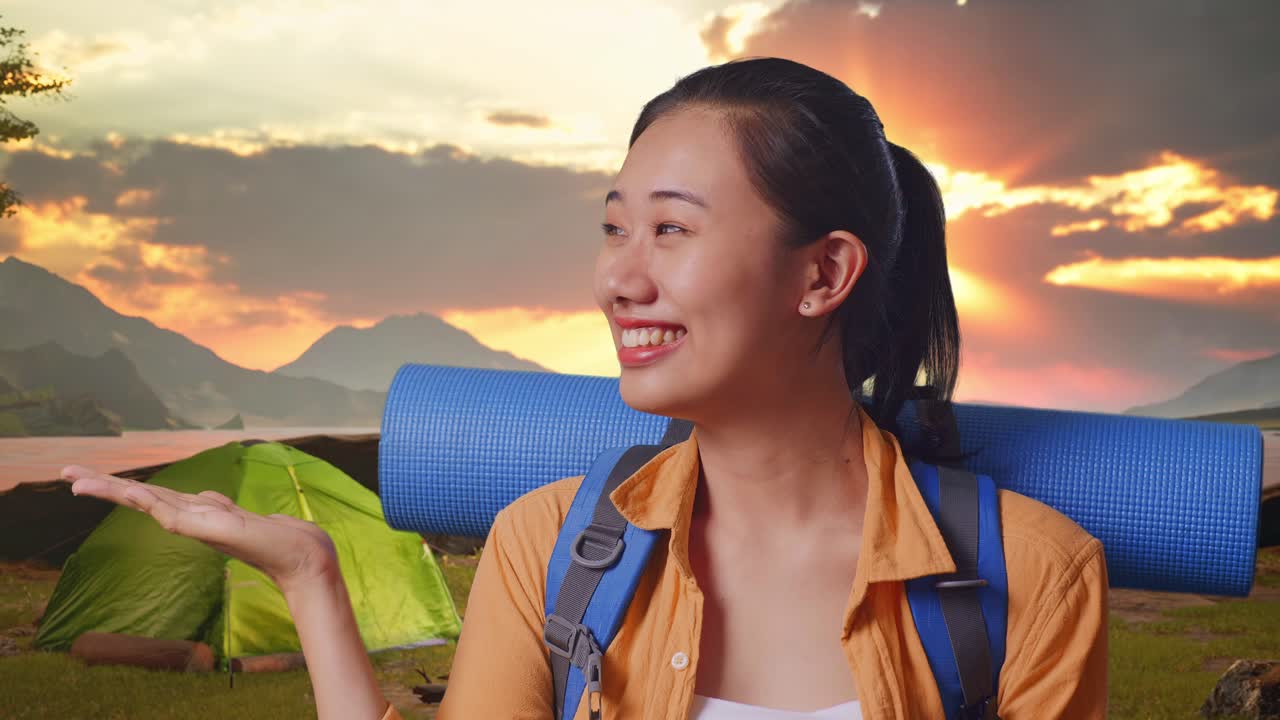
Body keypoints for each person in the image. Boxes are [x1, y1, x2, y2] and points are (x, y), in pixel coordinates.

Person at [62, 57, 1108, 720]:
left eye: (670, 228)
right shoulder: (552, 549)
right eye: (612, 227)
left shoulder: (1030, 581)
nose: (617, 277)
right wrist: (309, 579)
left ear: (821, 274)